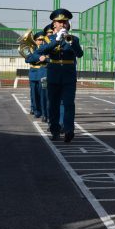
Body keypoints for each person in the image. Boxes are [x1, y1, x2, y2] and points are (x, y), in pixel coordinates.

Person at [35, 8, 83, 142]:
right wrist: (55, 41)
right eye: (59, 22)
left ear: (68, 24)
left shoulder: (74, 39)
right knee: (54, 104)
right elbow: (41, 51)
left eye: (64, 22)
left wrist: (71, 43)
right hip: (54, 74)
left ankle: (69, 130)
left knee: (68, 104)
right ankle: (55, 130)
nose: (62, 24)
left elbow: (79, 54)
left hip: (68, 75)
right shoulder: (47, 38)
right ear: (54, 24)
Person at [25, 31, 47, 119]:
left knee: (43, 94)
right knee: (34, 93)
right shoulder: (30, 48)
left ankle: (44, 112)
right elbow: (28, 59)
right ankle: (37, 111)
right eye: (39, 40)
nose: (41, 41)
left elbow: (48, 58)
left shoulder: (46, 48)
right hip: (34, 73)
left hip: (44, 72)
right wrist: (39, 57)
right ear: (35, 40)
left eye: (42, 39)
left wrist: (42, 58)